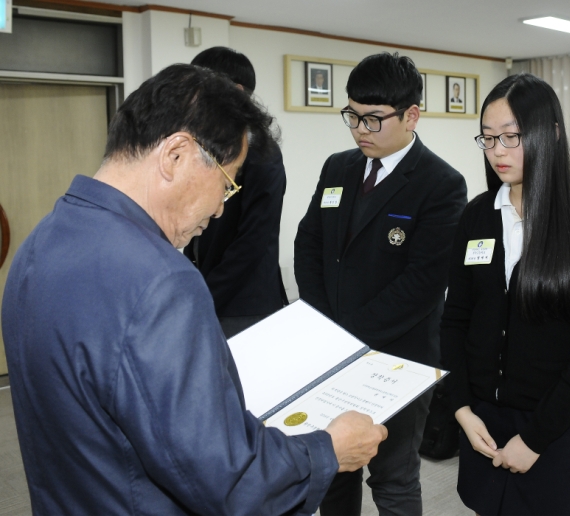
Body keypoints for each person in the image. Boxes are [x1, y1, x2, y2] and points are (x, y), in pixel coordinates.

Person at [1, 64, 387, 516]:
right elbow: (230, 483)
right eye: (227, 182)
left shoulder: (39, 242)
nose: (222, 208)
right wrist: (330, 450)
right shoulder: (162, 281)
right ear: (176, 156)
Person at [440, 73, 570, 515]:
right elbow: (455, 320)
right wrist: (463, 409)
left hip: (557, 427)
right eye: (487, 138)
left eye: (511, 136)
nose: (498, 151)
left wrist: (535, 439)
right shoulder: (477, 217)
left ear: (552, 134)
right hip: (484, 420)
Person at [294, 52, 467, 516]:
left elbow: (423, 283)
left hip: (398, 359)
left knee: (392, 479)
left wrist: (346, 335)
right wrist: (322, 325)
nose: (359, 131)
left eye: (373, 120)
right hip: (332, 350)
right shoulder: (338, 167)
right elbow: (309, 242)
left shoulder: (441, 183)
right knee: (333, 468)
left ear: (411, 115)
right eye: (352, 116)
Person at [183, 46, 288, 338]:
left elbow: (254, 240)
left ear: (237, 91)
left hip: (244, 304)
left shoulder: (262, 151)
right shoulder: (209, 143)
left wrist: (207, 292)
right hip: (210, 289)